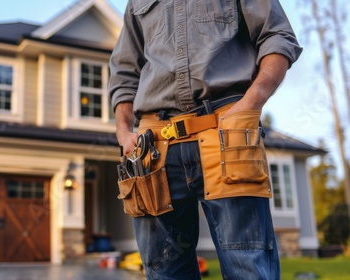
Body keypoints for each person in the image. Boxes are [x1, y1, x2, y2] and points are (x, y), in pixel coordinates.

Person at [109, 0, 302, 279]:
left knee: (248, 270)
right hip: (153, 148)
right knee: (163, 272)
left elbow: (277, 36)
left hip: (227, 134)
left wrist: (253, 101)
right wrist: (123, 130)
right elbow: (124, 69)